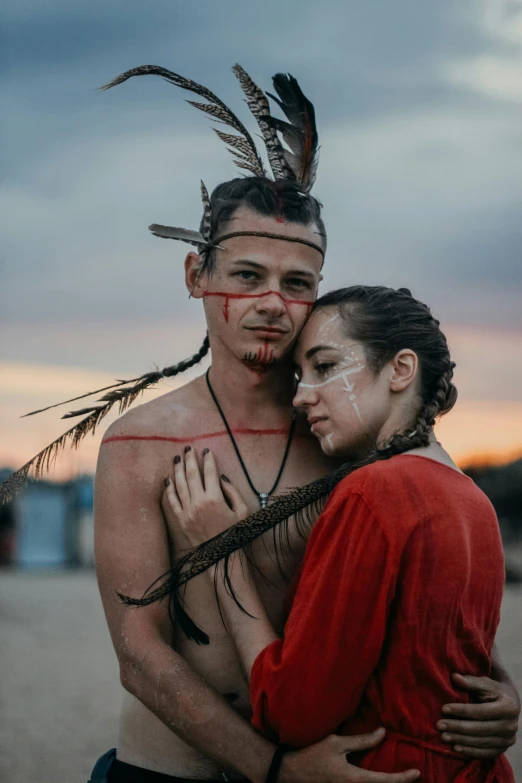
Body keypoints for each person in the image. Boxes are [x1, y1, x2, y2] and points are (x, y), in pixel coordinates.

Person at [0, 64, 517, 783]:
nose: (273, 301)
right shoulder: (142, 442)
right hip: (173, 772)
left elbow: (431, 581)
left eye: (297, 283)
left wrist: (497, 689)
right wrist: (273, 767)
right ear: (195, 276)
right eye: (246, 275)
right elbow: (138, 652)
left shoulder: (352, 439)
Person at [161, 285, 517, 781]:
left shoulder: (374, 493)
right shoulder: (471, 498)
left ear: (400, 369)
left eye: (325, 367)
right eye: (299, 375)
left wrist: (223, 550)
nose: (302, 395)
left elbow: (293, 709)